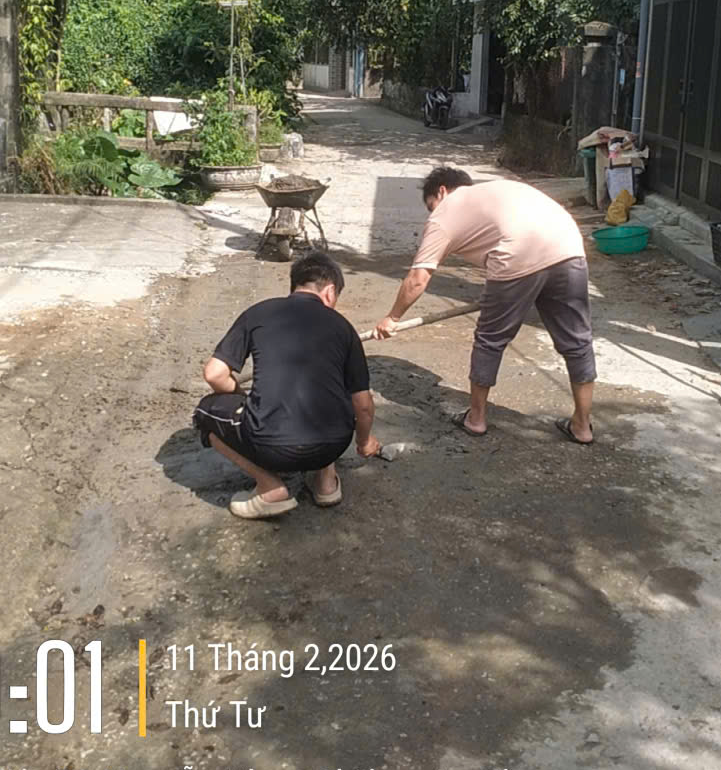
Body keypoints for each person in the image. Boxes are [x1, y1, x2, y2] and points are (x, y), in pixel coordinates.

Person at [374, 167, 596, 444]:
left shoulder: (445, 212)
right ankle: (582, 426)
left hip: (518, 254)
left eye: (431, 206)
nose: (432, 214)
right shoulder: (498, 190)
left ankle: (476, 419)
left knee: (490, 340)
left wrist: (392, 317)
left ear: (442, 191)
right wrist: (505, 294)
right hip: (569, 246)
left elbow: (418, 278)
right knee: (577, 341)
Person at [194, 250, 381, 520]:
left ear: (295, 285)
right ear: (330, 292)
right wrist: (364, 443)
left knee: (205, 410)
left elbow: (214, 374)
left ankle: (270, 486)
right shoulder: (344, 327)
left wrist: (242, 398)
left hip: (271, 447)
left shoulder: (258, 313)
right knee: (330, 389)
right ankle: (326, 484)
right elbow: (363, 405)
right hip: (334, 444)